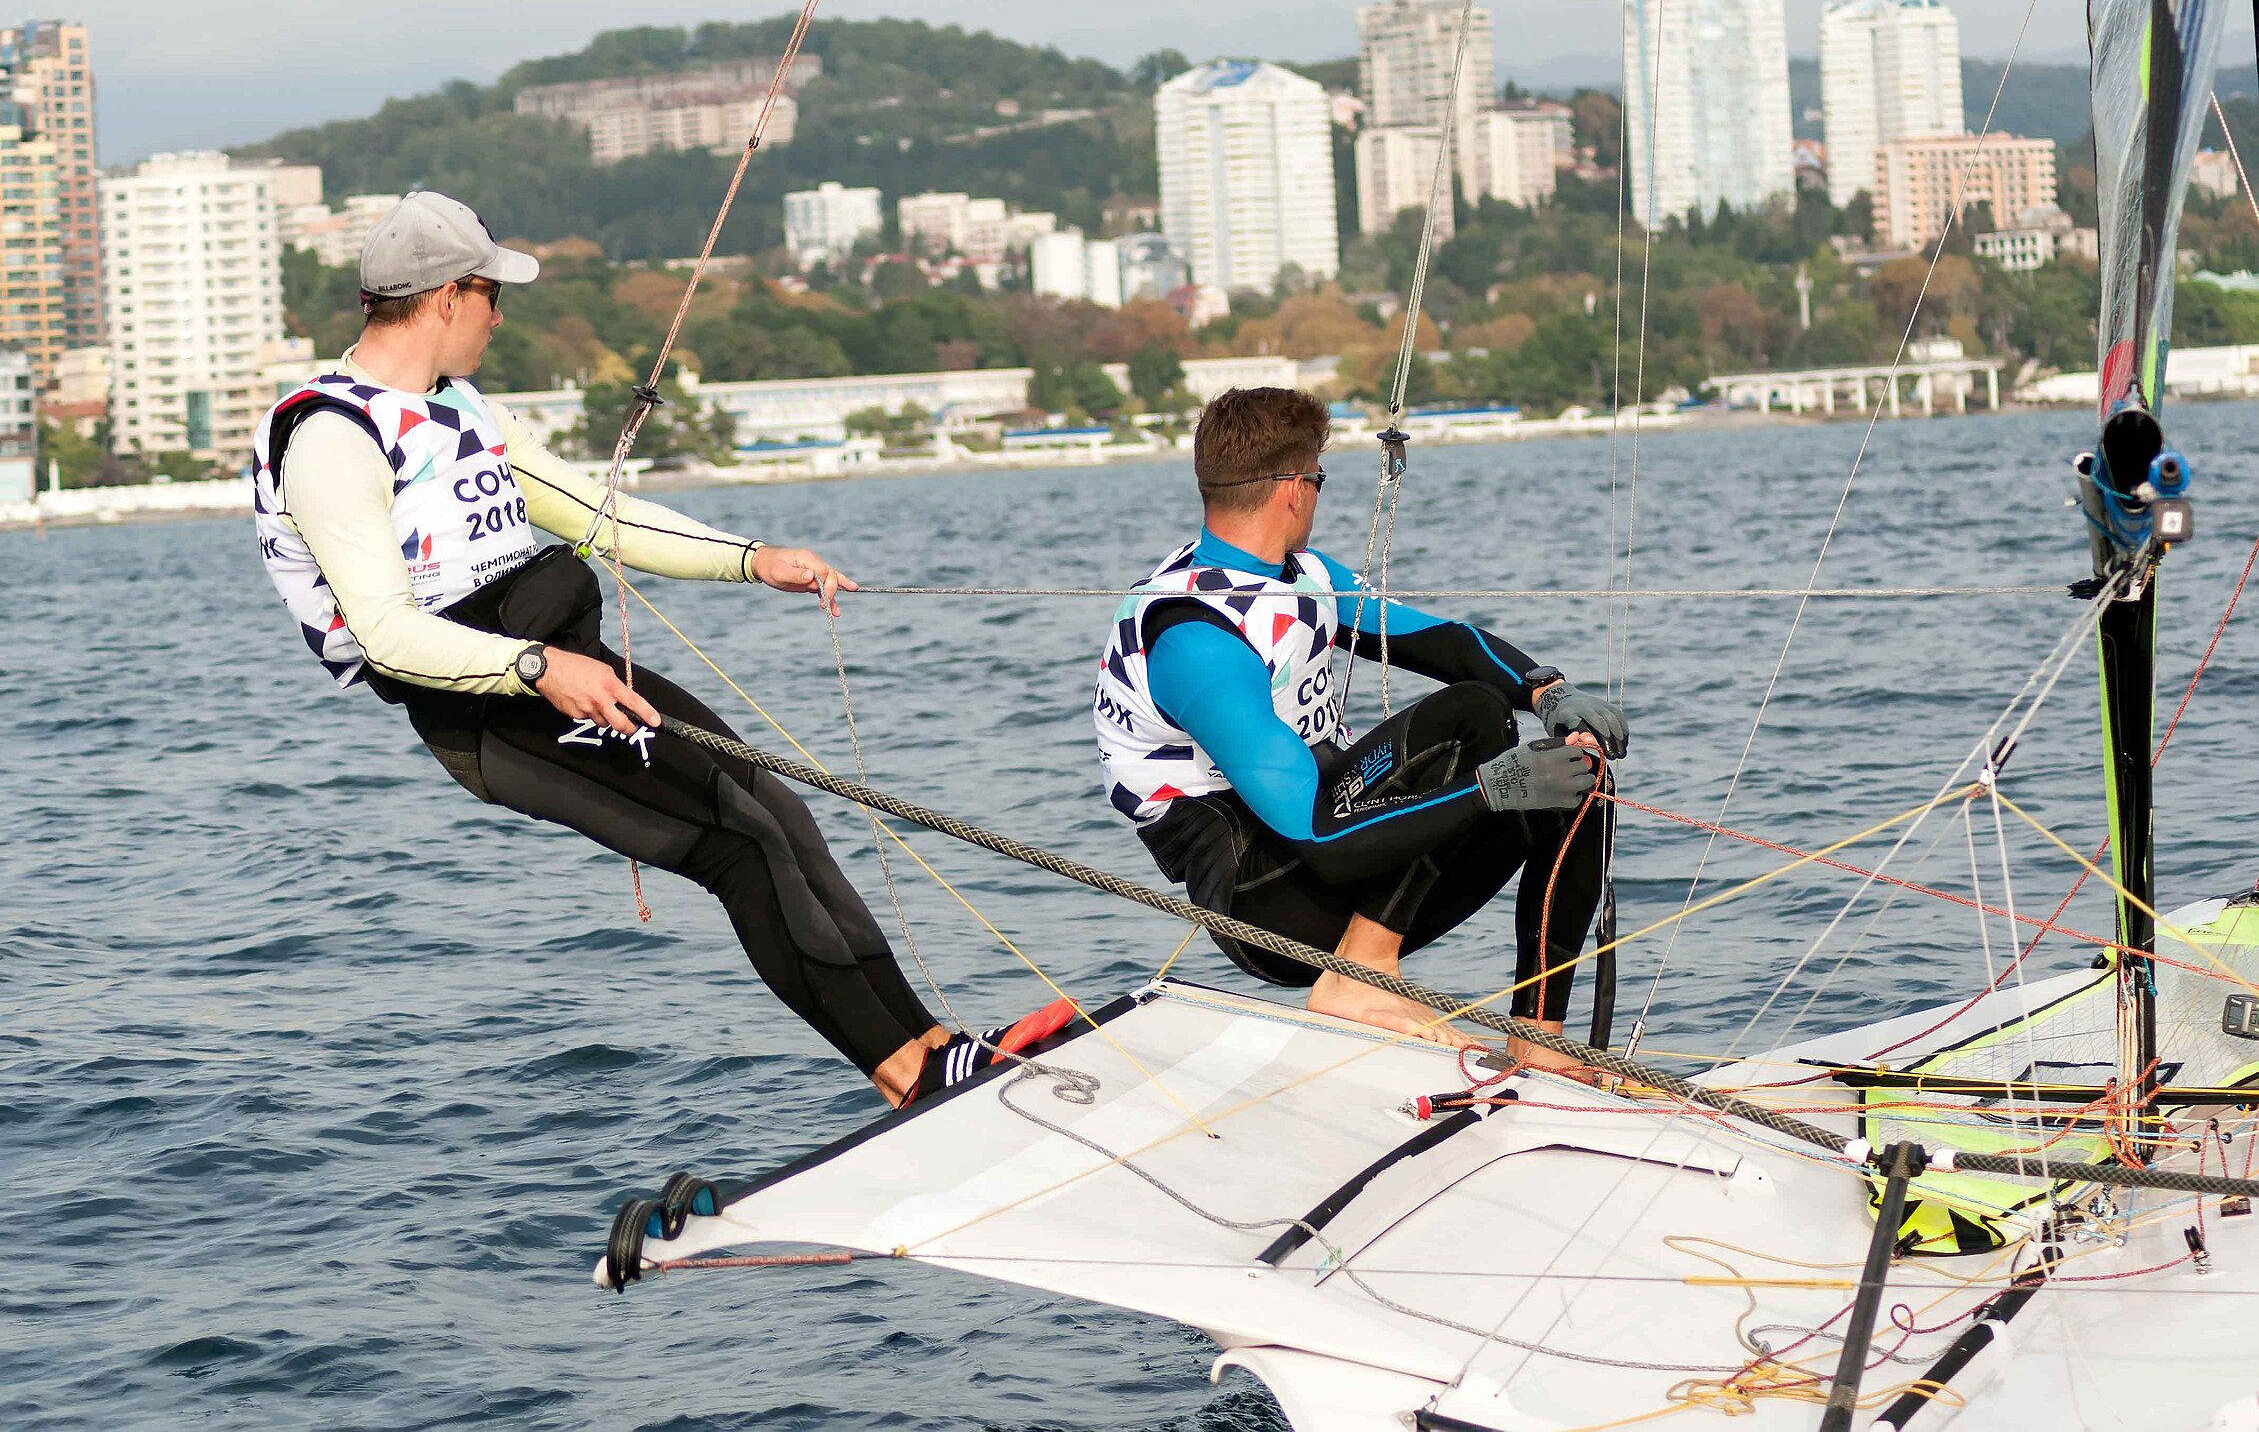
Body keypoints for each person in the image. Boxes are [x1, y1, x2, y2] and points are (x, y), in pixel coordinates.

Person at [250, 190, 1067, 1108]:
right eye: (491, 296)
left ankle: (931, 1044)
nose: (499, 316)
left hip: (570, 667)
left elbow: (606, 519)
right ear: (447, 296)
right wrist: (538, 670)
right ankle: (905, 1074)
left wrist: (756, 561)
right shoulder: (329, 434)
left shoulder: (460, 410)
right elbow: (387, 636)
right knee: (740, 850)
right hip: (491, 708)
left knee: (775, 811)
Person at [1092, 388, 1629, 1068]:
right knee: (1471, 718)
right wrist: (1490, 788)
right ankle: (1356, 978)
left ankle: (1538, 1042)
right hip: (1269, 904)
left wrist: (1546, 692)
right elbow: (1320, 840)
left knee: (1575, 776)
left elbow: (1448, 643)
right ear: (1294, 489)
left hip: (1339, 855)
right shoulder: (1194, 639)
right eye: (1318, 477)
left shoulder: (1303, 578)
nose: (1318, 493)